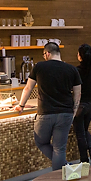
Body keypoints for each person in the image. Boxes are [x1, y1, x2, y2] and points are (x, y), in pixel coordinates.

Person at [15, 42, 81, 171]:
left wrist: (21, 105)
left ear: (47, 53)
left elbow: (28, 88)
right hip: (66, 113)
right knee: (59, 149)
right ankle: (64, 170)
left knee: (41, 142)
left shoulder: (39, 67)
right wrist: (73, 112)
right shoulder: (72, 69)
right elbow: (77, 94)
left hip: (45, 113)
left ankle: (64, 168)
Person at [73, 44, 91, 165]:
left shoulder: (76, 71)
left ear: (80, 56)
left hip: (79, 105)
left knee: (80, 134)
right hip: (90, 104)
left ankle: (84, 160)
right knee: (84, 129)